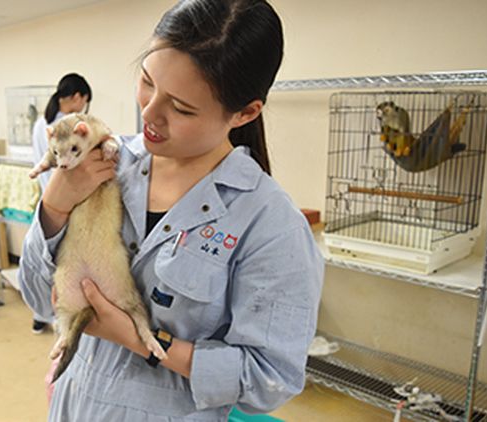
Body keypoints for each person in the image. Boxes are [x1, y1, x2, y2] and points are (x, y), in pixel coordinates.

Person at [18, 0, 324, 420]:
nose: (149, 113)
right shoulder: (100, 165)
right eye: (147, 82)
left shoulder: (269, 224)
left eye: (181, 108)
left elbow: (269, 378)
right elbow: (38, 298)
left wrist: (144, 340)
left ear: (245, 112)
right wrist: (56, 202)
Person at [29, 72, 92, 334]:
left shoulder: (42, 122)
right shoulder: (67, 125)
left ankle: (39, 316)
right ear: (77, 97)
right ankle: (62, 322)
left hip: (47, 200)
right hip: (66, 202)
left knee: (47, 262)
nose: (84, 108)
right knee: (63, 267)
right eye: (85, 102)